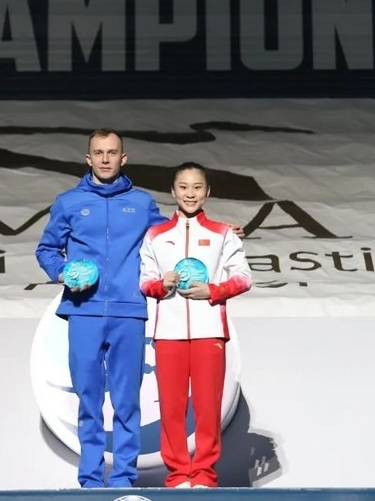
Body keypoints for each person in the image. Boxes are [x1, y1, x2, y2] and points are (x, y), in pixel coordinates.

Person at [36, 130, 242, 488]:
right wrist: (62, 272)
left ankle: (123, 478)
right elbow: (47, 249)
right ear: (88, 158)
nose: (105, 159)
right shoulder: (68, 202)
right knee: (88, 399)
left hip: (129, 312)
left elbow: (177, 232)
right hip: (83, 311)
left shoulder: (142, 203)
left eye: (111, 152)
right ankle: (90, 479)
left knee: (127, 401)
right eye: (98, 152)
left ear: (123, 158)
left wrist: (222, 230)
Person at [138, 161, 252, 488]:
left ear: (207, 192)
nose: (190, 194)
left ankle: (203, 474)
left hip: (209, 331)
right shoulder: (156, 235)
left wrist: (213, 291)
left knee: (207, 407)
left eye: (197, 187)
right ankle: (177, 475)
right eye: (184, 187)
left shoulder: (222, 234)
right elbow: (145, 282)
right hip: (168, 334)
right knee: (171, 409)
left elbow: (243, 278)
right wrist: (162, 285)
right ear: (173, 191)